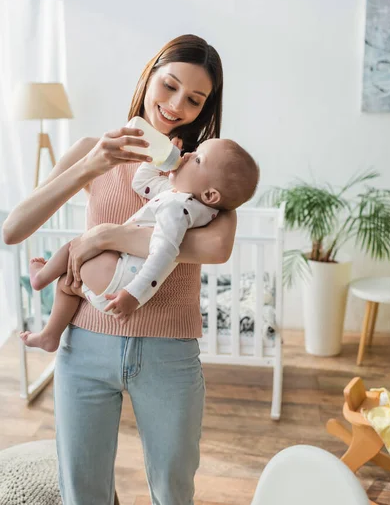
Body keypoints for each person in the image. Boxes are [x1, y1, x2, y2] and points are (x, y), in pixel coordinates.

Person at [2, 34, 238, 505]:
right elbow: (13, 228)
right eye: (169, 86)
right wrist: (91, 165)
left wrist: (102, 236)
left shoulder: (206, 167)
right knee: (83, 493)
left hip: (169, 354)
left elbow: (215, 248)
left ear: (206, 107)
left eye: (194, 99)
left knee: (173, 491)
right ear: (148, 76)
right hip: (84, 349)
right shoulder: (95, 150)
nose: (175, 106)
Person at [21, 137, 259, 352]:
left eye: (198, 158)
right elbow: (142, 183)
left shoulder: (177, 208)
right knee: (67, 284)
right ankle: (50, 336)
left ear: (210, 195)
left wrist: (134, 295)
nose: (186, 155)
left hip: (119, 278)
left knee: (76, 245)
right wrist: (156, 160)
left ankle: (41, 277)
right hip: (115, 279)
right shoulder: (185, 199)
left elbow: (164, 254)